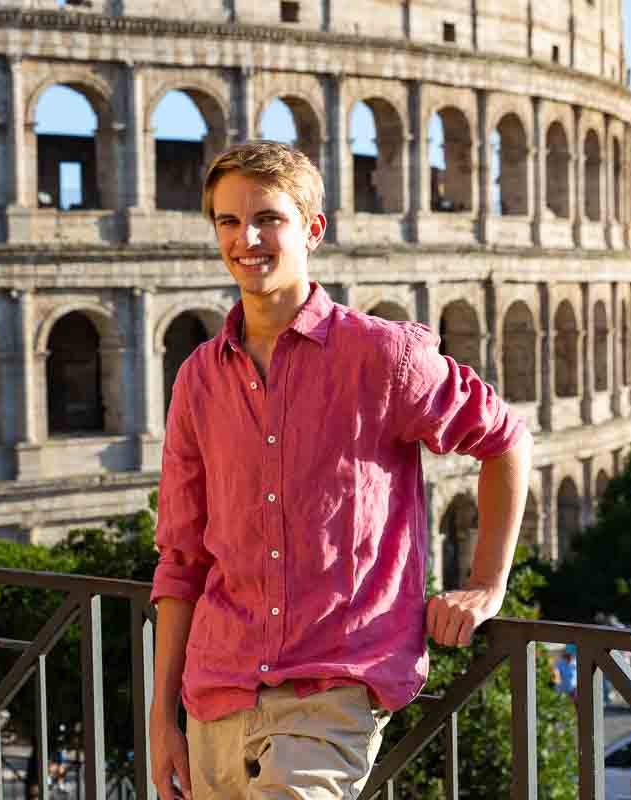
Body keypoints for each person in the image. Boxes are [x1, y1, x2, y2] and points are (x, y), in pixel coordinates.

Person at [148, 141, 533, 800]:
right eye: (229, 222)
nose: (248, 239)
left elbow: (505, 439)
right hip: (216, 696)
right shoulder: (197, 380)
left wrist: (487, 584)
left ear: (312, 230)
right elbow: (182, 557)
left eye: (269, 218)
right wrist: (161, 717)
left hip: (330, 695)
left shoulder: (382, 356)